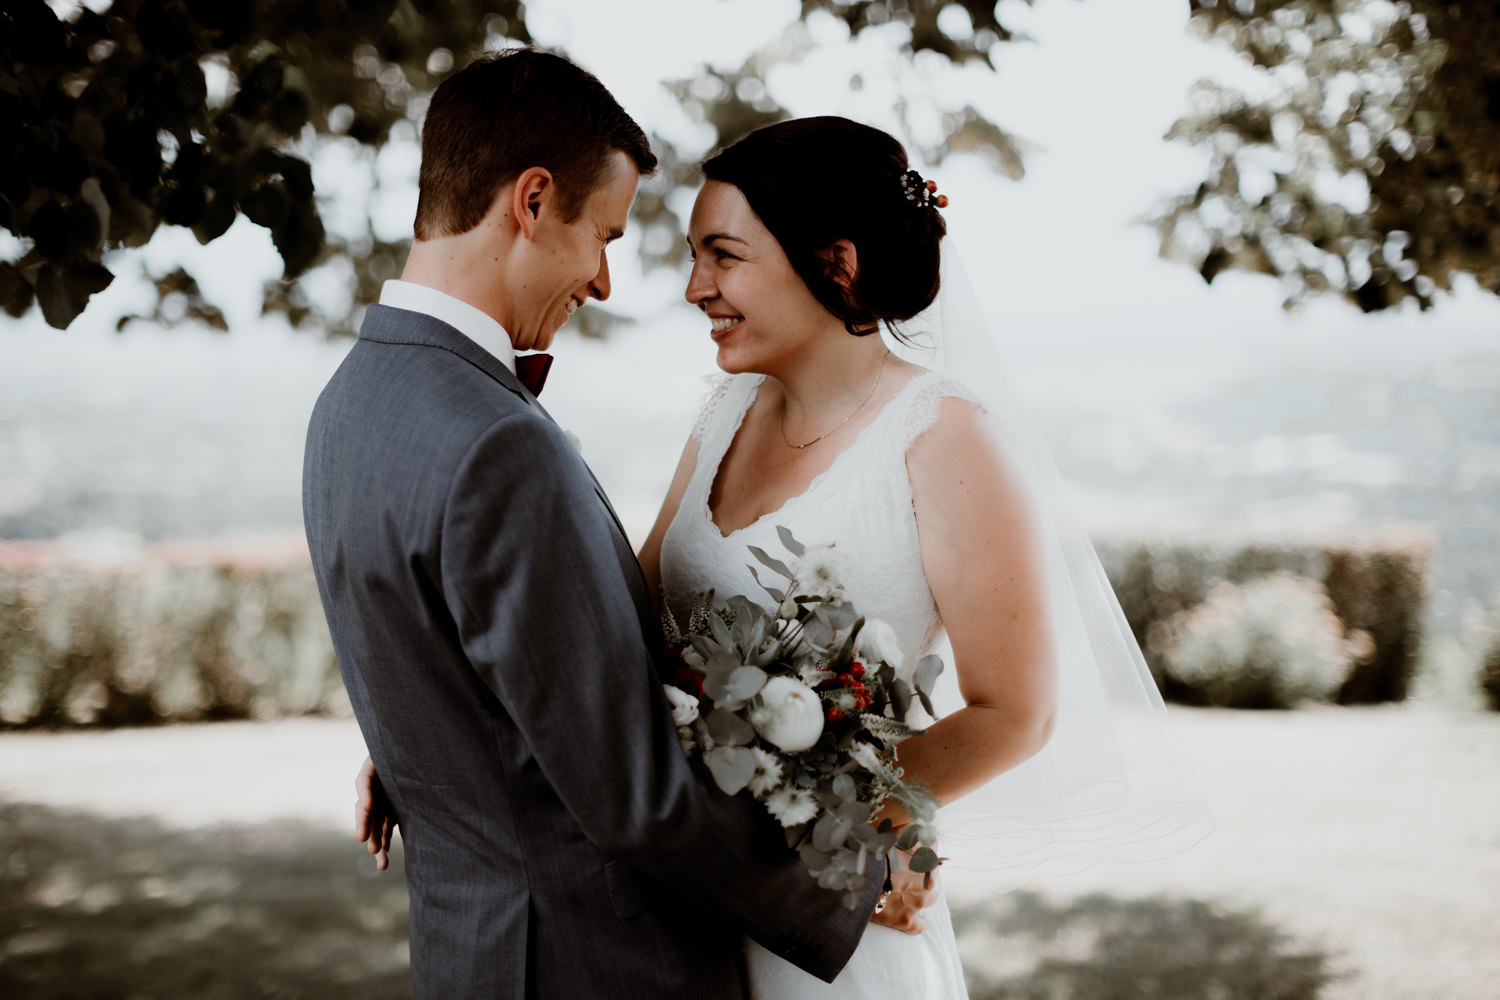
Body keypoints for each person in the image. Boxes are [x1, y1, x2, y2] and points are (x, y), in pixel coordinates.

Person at [303, 53, 888, 1000]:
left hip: (470, 955)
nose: (605, 281)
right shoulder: (496, 442)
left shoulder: (349, 404)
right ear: (532, 201)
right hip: (590, 964)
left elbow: (455, 668)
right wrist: (853, 879)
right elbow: (635, 796)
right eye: (603, 235)